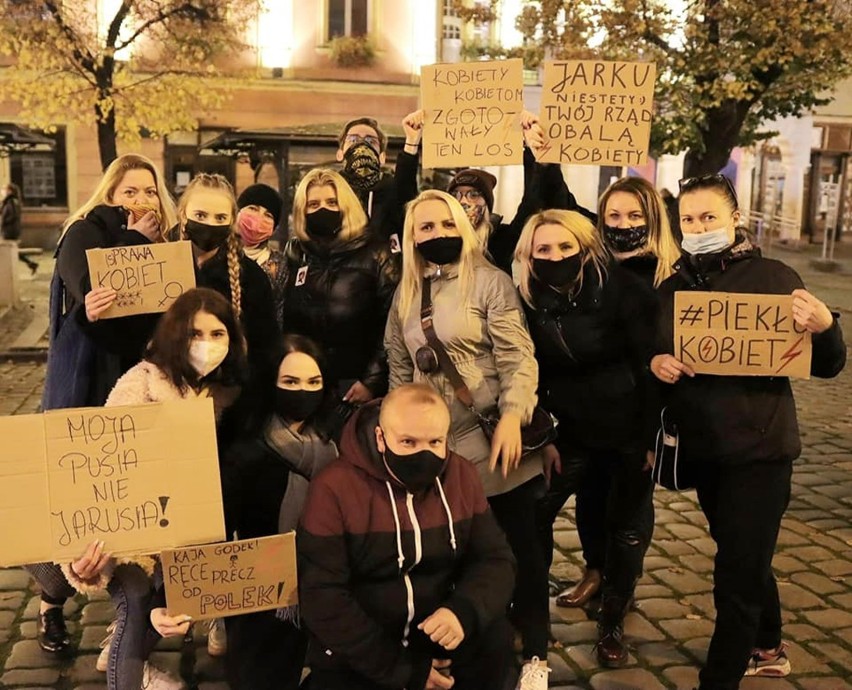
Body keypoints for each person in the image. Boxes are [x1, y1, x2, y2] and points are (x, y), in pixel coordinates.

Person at [649, 174, 846, 690]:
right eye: (689, 219)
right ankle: (771, 644)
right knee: (743, 550)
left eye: (709, 217)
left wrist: (827, 326)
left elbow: (827, 365)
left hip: (761, 451)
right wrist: (658, 364)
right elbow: (657, 357)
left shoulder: (775, 277)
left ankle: (719, 679)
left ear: (735, 218)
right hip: (705, 449)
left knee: (735, 572)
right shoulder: (673, 288)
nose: (698, 227)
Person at [384, 190, 550, 688]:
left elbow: (518, 356)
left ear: (461, 224)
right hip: (437, 449)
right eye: (425, 228)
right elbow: (400, 362)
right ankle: (466, 641)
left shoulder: (491, 282)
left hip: (494, 439)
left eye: (444, 224)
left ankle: (536, 653)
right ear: (413, 237)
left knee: (521, 550)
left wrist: (513, 416)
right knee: (452, 552)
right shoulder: (406, 292)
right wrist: (399, 433)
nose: (436, 235)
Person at [61, 287, 249, 690]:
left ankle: (125, 655)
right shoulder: (141, 384)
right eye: (195, 334)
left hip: (180, 534)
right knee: (139, 599)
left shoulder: (225, 395)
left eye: (218, 334)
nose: (207, 345)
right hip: (126, 533)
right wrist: (84, 554)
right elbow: (99, 471)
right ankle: (125, 674)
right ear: (175, 335)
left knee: (166, 606)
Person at [30, 153, 177, 656]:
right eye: (129, 192)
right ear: (110, 194)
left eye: (149, 191)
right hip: (87, 383)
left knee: (127, 504)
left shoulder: (164, 246)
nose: (141, 201)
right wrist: (136, 240)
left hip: (134, 387)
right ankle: (50, 603)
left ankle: (127, 617)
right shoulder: (83, 232)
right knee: (69, 499)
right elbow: (93, 297)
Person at [298, 383, 517, 690]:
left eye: (434, 441)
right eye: (408, 442)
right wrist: (399, 668)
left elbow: (495, 559)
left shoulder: (461, 476)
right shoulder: (334, 488)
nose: (423, 453)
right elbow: (322, 594)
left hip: (438, 632)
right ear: (381, 438)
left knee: (496, 638)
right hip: (366, 648)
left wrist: (463, 611)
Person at [513, 209, 658, 668]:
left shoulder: (622, 290)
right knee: (534, 509)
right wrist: (544, 433)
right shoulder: (528, 296)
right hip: (571, 431)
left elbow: (650, 367)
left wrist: (653, 437)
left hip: (629, 432)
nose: (554, 256)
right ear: (529, 255)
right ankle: (530, 613)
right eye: (543, 250)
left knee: (626, 530)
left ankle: (612, 621)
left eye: (564, 247)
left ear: (584, 247)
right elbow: (534, 369)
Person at [553, 175, 679, 610]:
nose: (623, 224)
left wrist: (651, 435)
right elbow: (559, 204)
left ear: (653, 220)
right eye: (613, 216)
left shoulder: (669, 278)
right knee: (590, 497)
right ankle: (594, 569)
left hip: (641, 419)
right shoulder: (592, 271)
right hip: (590, 416)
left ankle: (618, 593)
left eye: (634, 215)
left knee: (629, 511)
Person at [220, 334, 338, 690]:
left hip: (327, 590)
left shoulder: (339, 443)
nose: (303, 391)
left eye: (313, 382)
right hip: (261, 603)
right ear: (271, 382)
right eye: (290, 382)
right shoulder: (244, 452)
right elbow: (220, 532)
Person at [397, 110, 594, 274]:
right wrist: (411, 145)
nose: (464, 201)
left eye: (474, 195)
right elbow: (406, 205)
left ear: (488, 204)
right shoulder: (441, 239)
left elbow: (531, 202)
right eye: (457, 195)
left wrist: (532, 152)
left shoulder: (502, 239)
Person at [280, 167, 400, 405]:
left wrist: (371, 381)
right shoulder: (296, 252)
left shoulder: (377, 254)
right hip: (305, 382)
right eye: (313, 204)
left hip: (356, 385)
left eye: (332, 202)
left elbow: (392, 323)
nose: (322, 209)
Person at [337, 116, 405, 242]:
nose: (362, 145)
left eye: (371, 141)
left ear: (382, 157)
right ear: (340, 154)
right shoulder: (331, 190)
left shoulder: (394, 191)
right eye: (353, 139)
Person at [236, 183, 287, 327]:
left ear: (274, 228)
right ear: (238, 212)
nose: (258, 218)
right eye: (253, 208)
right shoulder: (218, 255)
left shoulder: (281, 265)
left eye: (268, 215)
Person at [1, 182, 38, 273]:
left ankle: (30, 263)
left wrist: (4, 222)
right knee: (13, 251)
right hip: (8, 230)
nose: (2, 191)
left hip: (10, 231)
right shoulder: (8, 201)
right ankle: (31, 263)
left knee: (9, 251)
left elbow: (13, 215)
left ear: (9, 191)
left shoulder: (13, 202)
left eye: (4, 189)